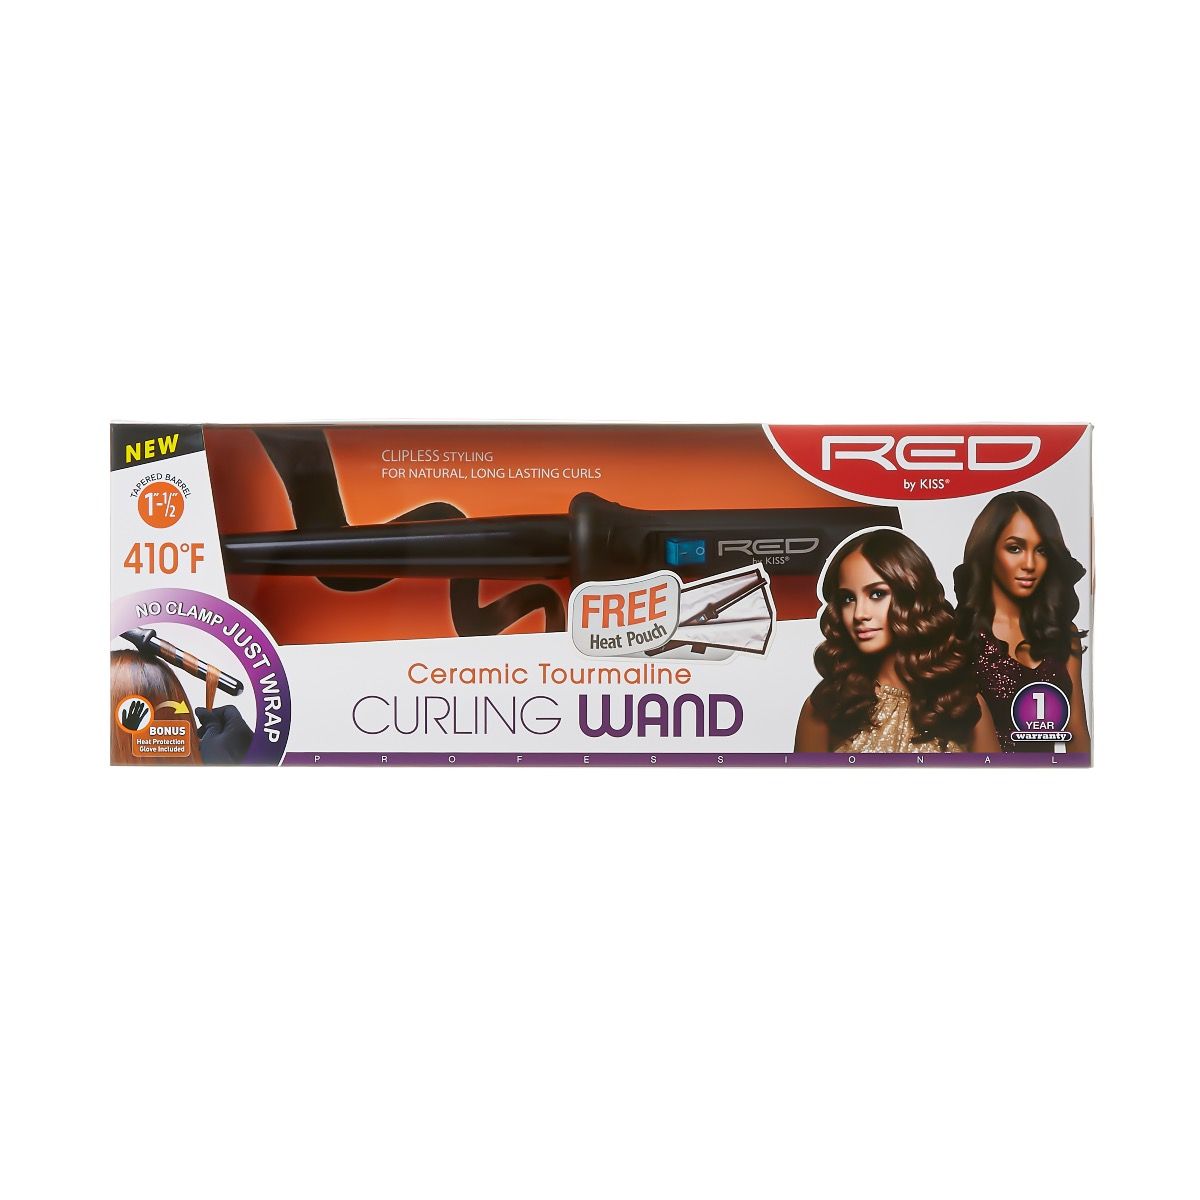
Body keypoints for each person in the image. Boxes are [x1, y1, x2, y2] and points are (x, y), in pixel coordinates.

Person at [795, 529, 999, 753]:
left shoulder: (962, 704)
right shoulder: (826, 708)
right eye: (848, 598)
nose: (859, 614)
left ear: (912, 596)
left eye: (876, 594)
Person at [953, 492, 1090, 753]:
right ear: (988, 550)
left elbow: (1077, 734)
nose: (1030, 564)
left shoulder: (1062, 633)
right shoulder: (959, 636)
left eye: (1041, 550)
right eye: (1015, 548)